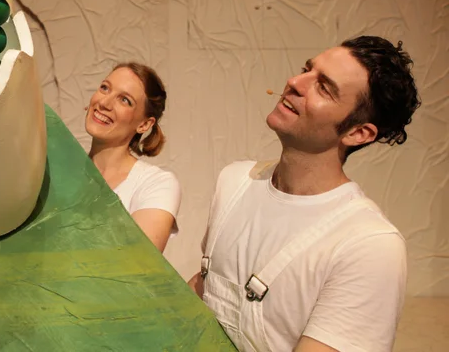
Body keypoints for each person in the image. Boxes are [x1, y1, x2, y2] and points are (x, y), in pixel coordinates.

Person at [188, 36, 421, 352]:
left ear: (358, 133)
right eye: (306, 70)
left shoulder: (369, 244)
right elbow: (205, 290)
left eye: (324, 87)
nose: (294, 82)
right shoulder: (235, 181)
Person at [85, 62, 181, 252]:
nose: (104, 103)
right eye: (105, 88)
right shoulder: (59, 171)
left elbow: (137, 261)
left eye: (124, 100)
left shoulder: (156, 183)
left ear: (144, 124)